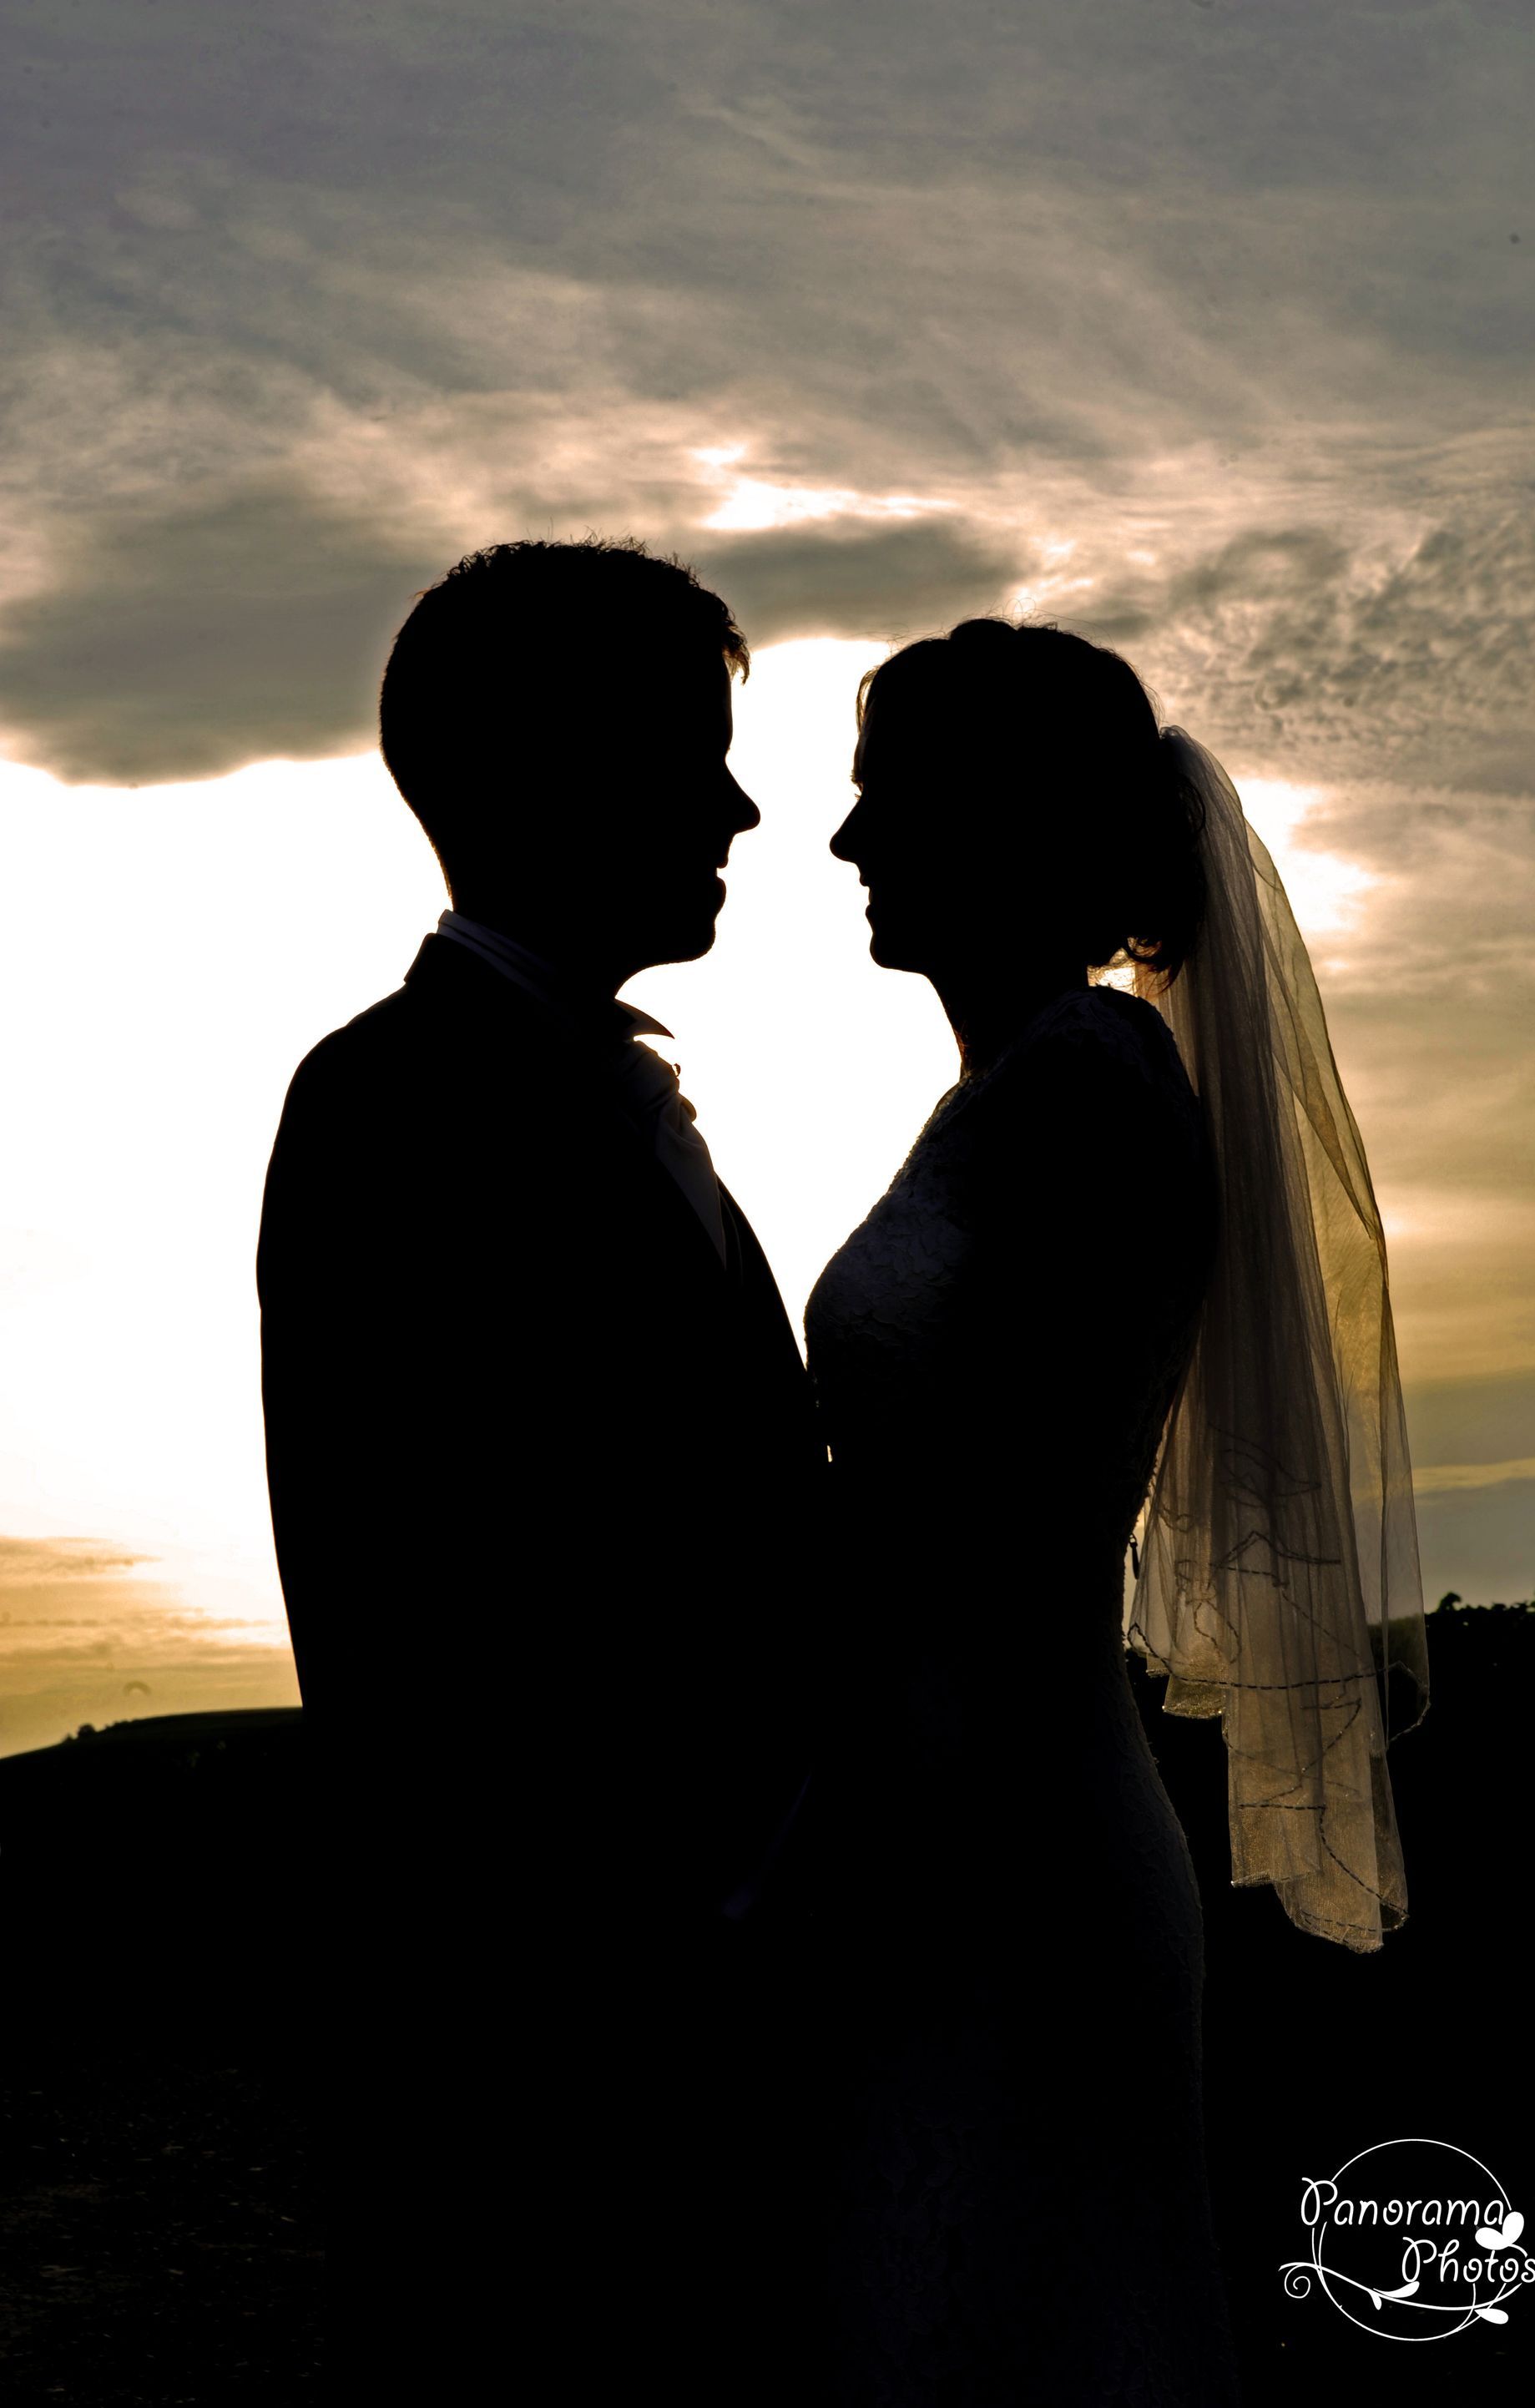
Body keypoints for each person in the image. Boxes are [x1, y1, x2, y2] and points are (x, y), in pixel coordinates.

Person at [793, 616, 1427, 2402]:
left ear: (1001, 824)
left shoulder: (1083, 1095)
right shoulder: (1019, 1093)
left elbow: (971, 1541)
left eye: (883, 800)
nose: (846, 845)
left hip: (996, 1847)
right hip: (962, 1819)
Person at [255, 537, 825, 2395]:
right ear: (542, 772)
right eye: (691, 750)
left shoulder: (612, 1092)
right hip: (559, 2086)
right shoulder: (393, 1107)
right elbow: (421, 1636)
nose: (740, 804)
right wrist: (690, 1964)